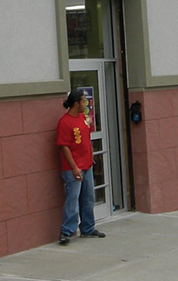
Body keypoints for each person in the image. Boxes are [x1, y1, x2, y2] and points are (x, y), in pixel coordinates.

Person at [56, 89, 106, 244]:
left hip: (87, 165)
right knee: (73, 199)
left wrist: (90, 157)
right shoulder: (64, 122)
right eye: (84, 101)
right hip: (73, 169)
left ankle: (88, 228)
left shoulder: (82, 118)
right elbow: (64, 146)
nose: (86, 103)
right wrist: (74, 167)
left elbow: (85, 140)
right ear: (76, 103)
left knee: (88, 198)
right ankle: (66, 232)